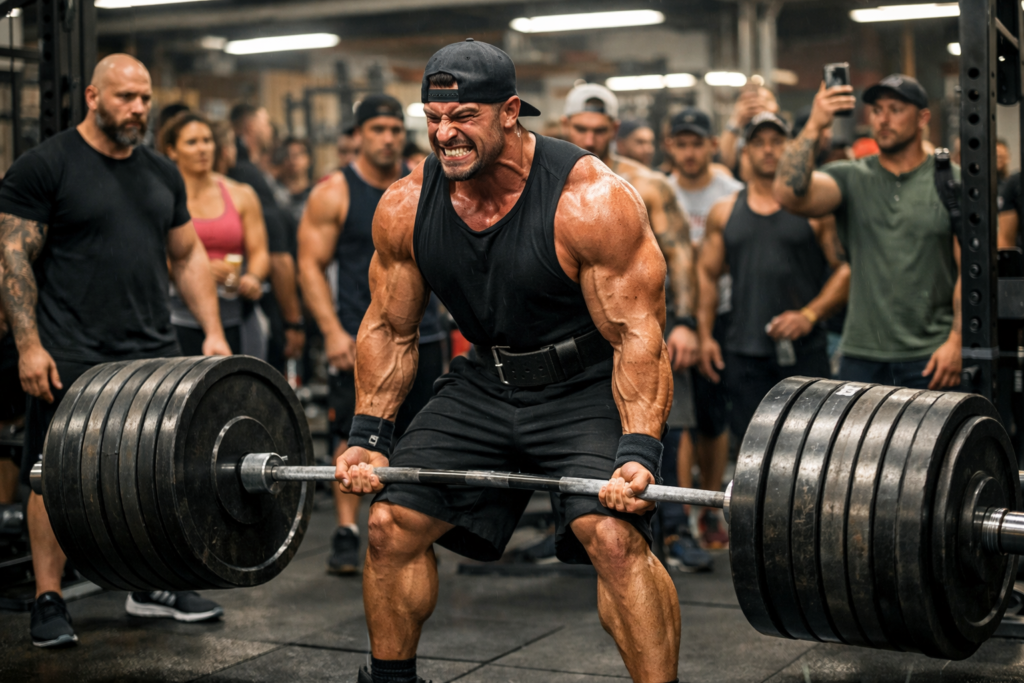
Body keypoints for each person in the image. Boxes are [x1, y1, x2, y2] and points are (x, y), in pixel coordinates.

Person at [336, 39, 681, 683]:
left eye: (463, 116)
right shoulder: (407, 204)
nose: (445, 134)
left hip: (583, 386)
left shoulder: (590, 199)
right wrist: (368, 436)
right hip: (483, 384)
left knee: (612, 538)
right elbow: (389, 326)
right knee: (388, 525)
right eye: (433, 119)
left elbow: (638, 333)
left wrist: (638, 450)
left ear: (509, 112)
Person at [0, 54, 229, 649]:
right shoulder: (45, 166)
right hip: (70, 351)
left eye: (146, 98)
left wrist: (212, 331)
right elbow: (12, 258)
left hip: (150, 350)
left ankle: (148, 582)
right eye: (126, 97)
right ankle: (48, 597)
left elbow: (186, 256)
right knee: (51, 477)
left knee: (155, 470)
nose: (139, 109)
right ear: (93, 97)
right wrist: (28, 346)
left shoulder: (160, 172)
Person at [560, 83, 709, 573]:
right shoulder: (549, 185)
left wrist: (685, 324)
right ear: (566, 127)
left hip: (646, 328)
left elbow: (683, 259)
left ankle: (678, 526)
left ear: (615, 131)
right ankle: (573, 527)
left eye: (600, 130)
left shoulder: (645, 185)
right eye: (581, 128)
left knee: (672, 419)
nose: (591, 137)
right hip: (576, 338)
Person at [298, 94, 446, 576]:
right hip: (361, 336)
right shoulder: (335, 191)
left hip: (426, 334)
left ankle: (409, 522)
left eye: (394, 129)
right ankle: (347, 529)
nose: (388, 138)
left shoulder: (427, 183)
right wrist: (332, 332)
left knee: (419, 433)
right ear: (358, 134)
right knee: (354, 431)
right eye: (377, 129)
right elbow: (310, 266)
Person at [774, 73, 962, 390]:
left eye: (895, 109)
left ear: (923, 118)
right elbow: (787, 194)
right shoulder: (851, 177)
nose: (883, 119)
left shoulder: (951, 180)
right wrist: (814, 125)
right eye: (876, 110)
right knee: (853, 442)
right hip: (861, 357)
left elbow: (971, 271)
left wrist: (957, 341)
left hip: (931, 356)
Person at [699, 112, 849, 437]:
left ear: (790, 146)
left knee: (810, 450)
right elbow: (707, 274)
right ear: (746, 151)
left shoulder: (814, 210)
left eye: (777, 141)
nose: (768, 150)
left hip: (805, 352)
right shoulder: (724, 211)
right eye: (759, 142)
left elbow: (846, 270)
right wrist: (706, 335)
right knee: (753, 454)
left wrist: (809, 315)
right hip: (745, 352)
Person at [663, 108, 743, 550]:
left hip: (722, 315)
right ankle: (685, 513)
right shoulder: (658, 190)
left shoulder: (731, 192)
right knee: (680, 420)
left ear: (712, 145)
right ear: (669, 145)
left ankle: (711, 510)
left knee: (712, 418)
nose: (690, 152)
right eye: (681, 143)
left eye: (697, 143)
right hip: (673, 318)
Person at [159, 111, 271, 355]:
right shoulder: (162, 198)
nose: (203, 149)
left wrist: (252, 277)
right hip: (179, 318)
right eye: (192, 142)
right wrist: (199, 269)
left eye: (207, 140)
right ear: (172, 151)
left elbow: (260, 252)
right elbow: (153, 256)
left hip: (236, 314)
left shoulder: (241, 194)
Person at [229, 104, 305, 372]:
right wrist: (292, 321)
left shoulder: (253, 172)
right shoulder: (244, 174)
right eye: (264, 122)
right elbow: (277, 254)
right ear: (250, 127)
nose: (269, 129)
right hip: (256, 305)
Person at [275, 136, 314, 226]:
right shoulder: (275, 194)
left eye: (297, 154)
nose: (292, 160)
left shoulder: (317, 193)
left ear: (309, 159)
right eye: (287, 155)